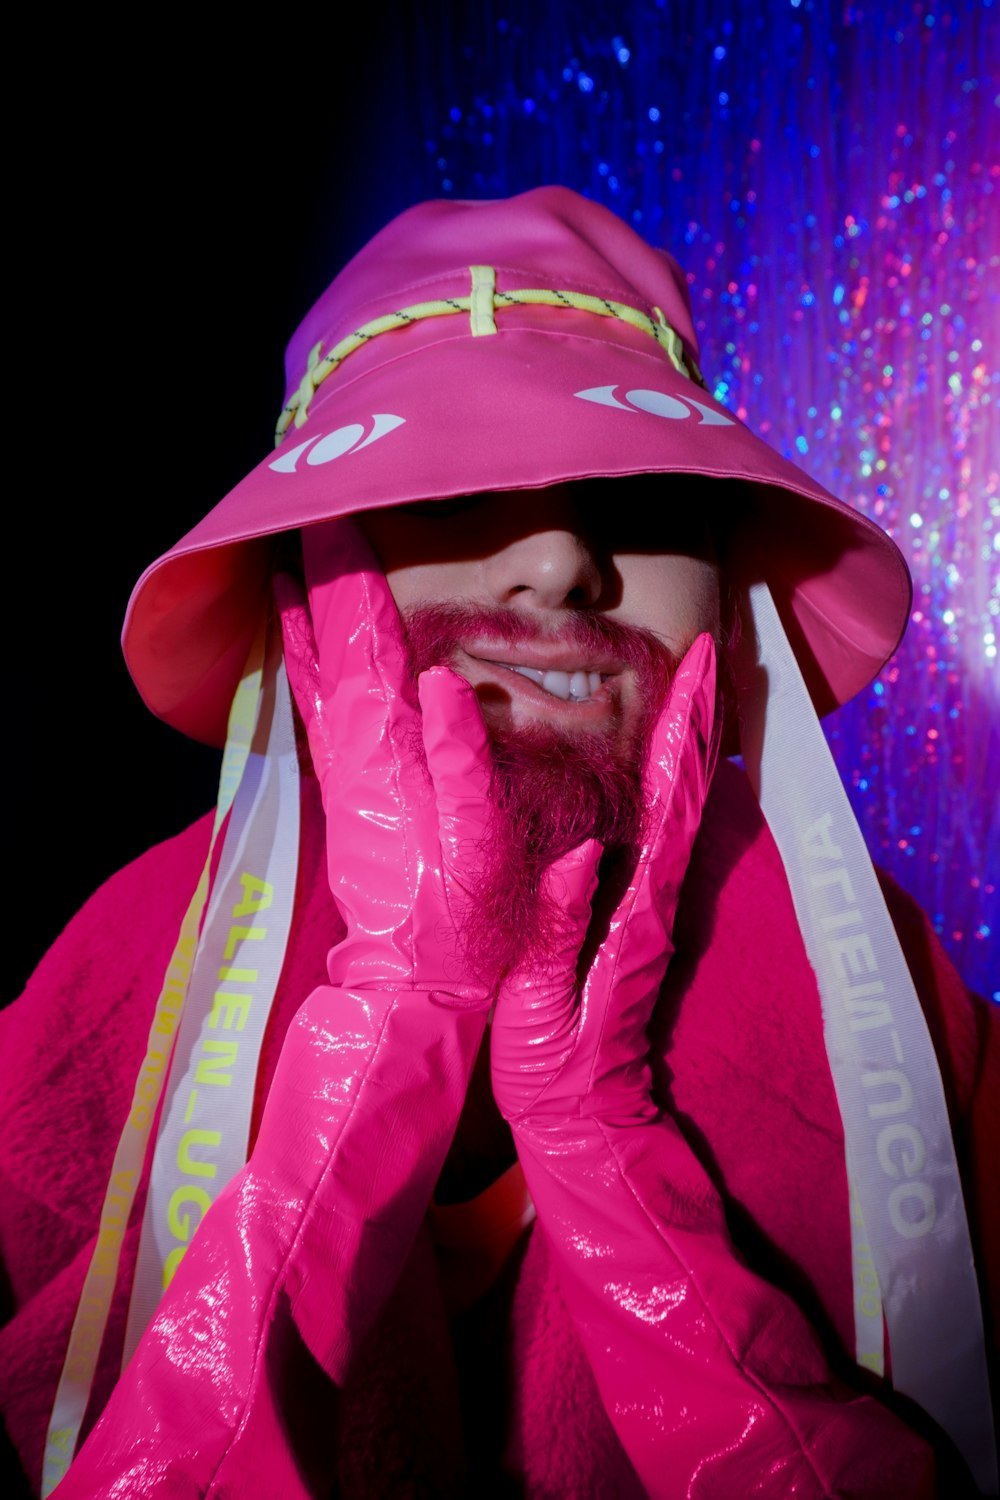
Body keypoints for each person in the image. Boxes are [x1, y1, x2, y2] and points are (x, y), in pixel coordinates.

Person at [0, 187, 996, 1499]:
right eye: (449, 485)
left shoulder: (906, 1014)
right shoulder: (105, 992)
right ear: (303, 579)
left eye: (641, 494)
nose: (560, 561)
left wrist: (610, 1156)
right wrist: (383, 1041)